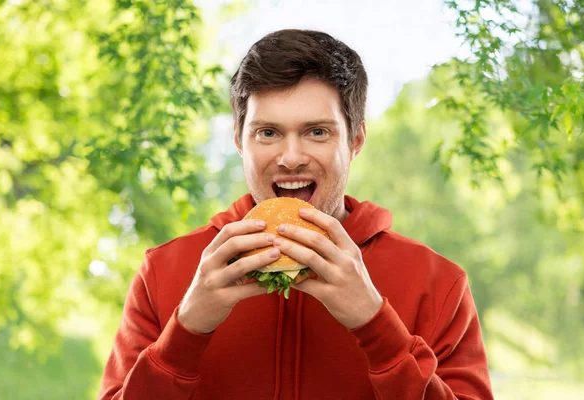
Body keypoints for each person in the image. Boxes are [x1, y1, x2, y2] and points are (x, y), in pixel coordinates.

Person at [98, 29, 494, 399]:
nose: (290, 158)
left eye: (317, 132)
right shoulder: (163, 271)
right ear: (239, 141)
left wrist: (376, 326)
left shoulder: (439, 283)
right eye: (267, 133)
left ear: (355, 141)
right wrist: (184, 332)